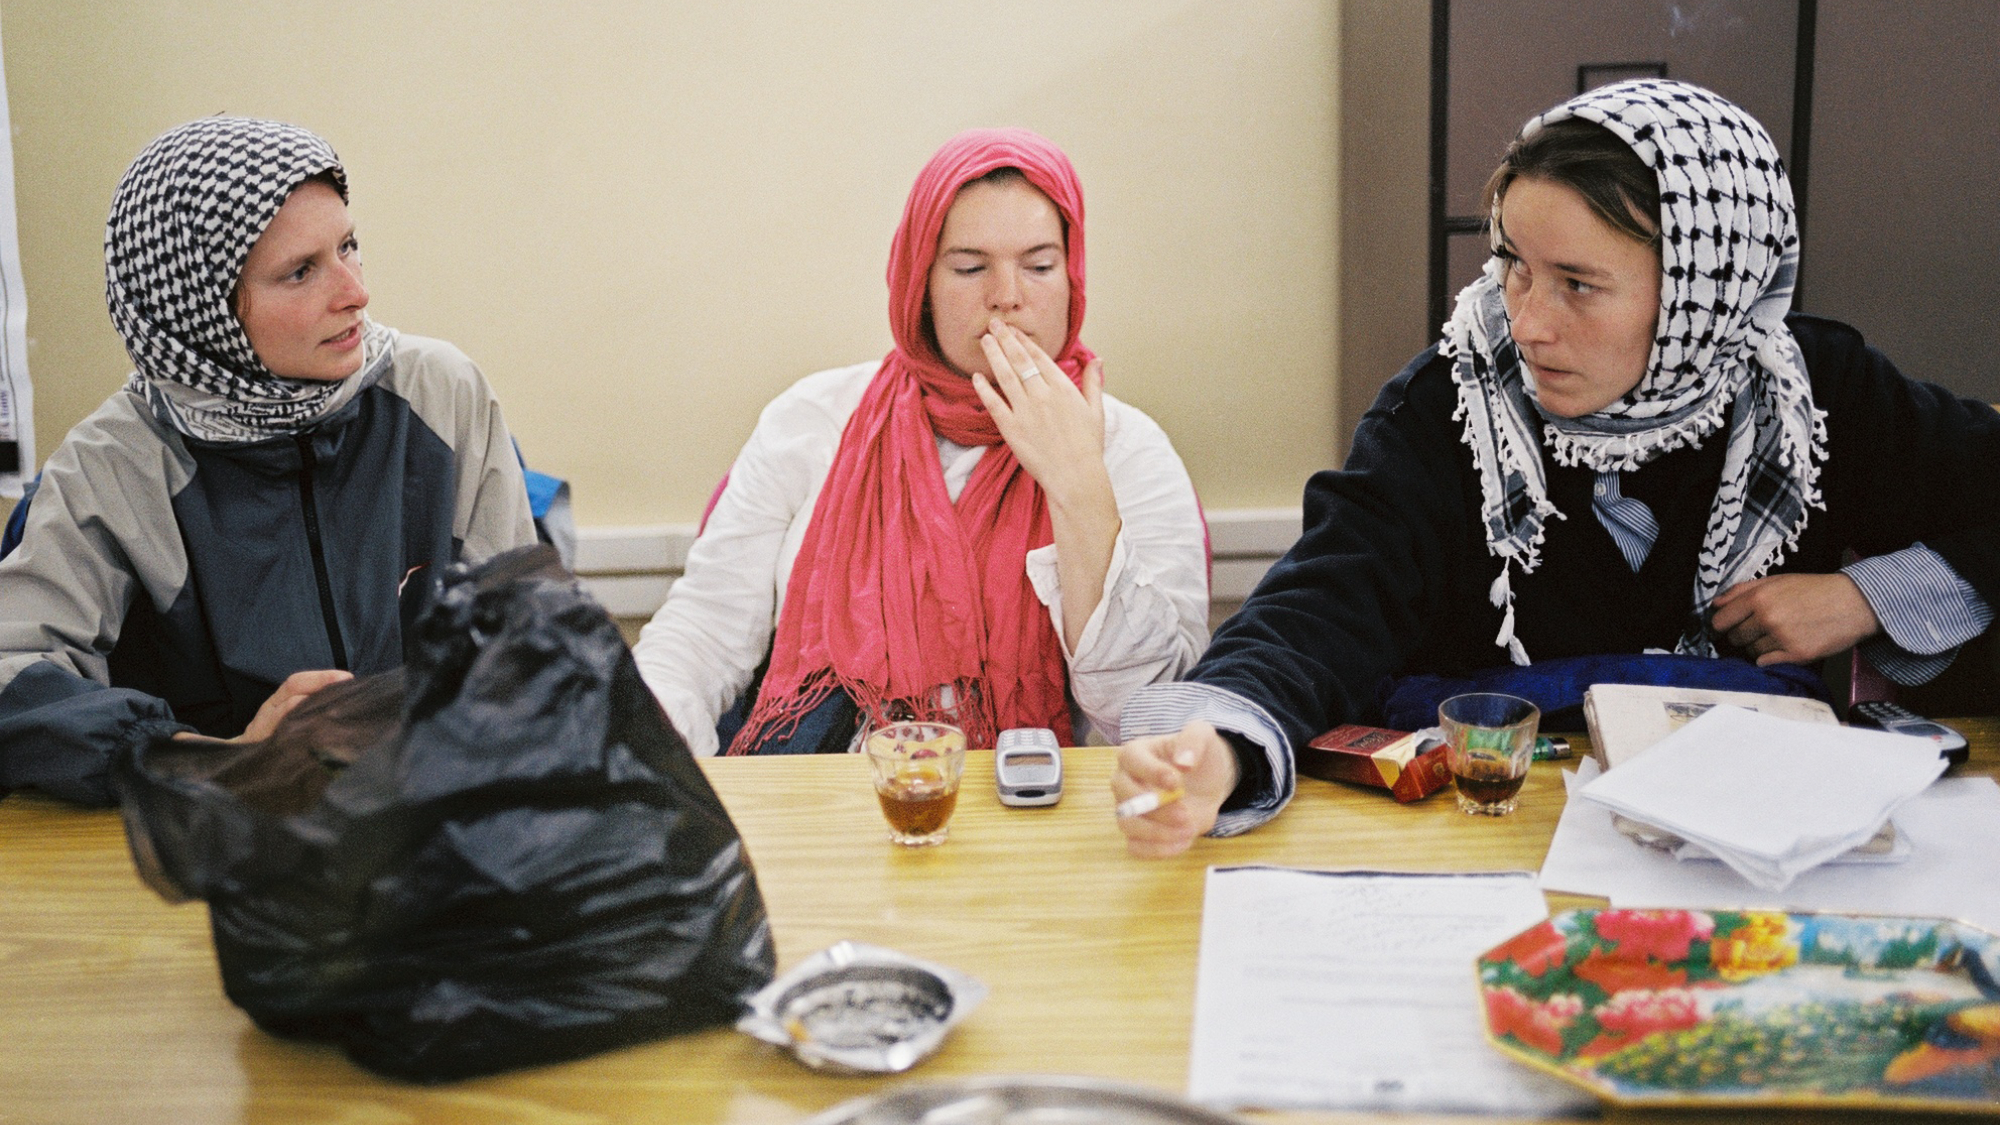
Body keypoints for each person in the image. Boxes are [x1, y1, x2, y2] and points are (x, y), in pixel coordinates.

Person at [1113, 79, 2000, 856]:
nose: (1528, 323)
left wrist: (1868, 597)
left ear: (1701, 293)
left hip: (1764, 847)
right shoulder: (1448, 406)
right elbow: (1323, 606)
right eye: (1513, 266)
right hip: (1486, 838)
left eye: (1578, 283)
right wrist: (1217, 745)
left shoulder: (1814, 392)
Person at [0, 117, 537, 804]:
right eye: (302, 271)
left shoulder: (441, 392)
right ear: (205, 310)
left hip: (431, 832)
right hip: (215, 848)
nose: (356, 293)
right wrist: (219, 758)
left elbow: (526, 640)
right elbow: (12, 678)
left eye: (349, 246)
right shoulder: (115, 465)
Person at [633, 128, 1207, 756]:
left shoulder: (1129, 449)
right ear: (920, 285)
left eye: (1040, 266)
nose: (1007, 297)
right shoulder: (813, 419)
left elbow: (1151, 717)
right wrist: (632, 756)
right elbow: (704, 636)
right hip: (823, 805)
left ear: (1073, 279)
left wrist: (1078, 486)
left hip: (1036, 817)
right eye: (969, 268)